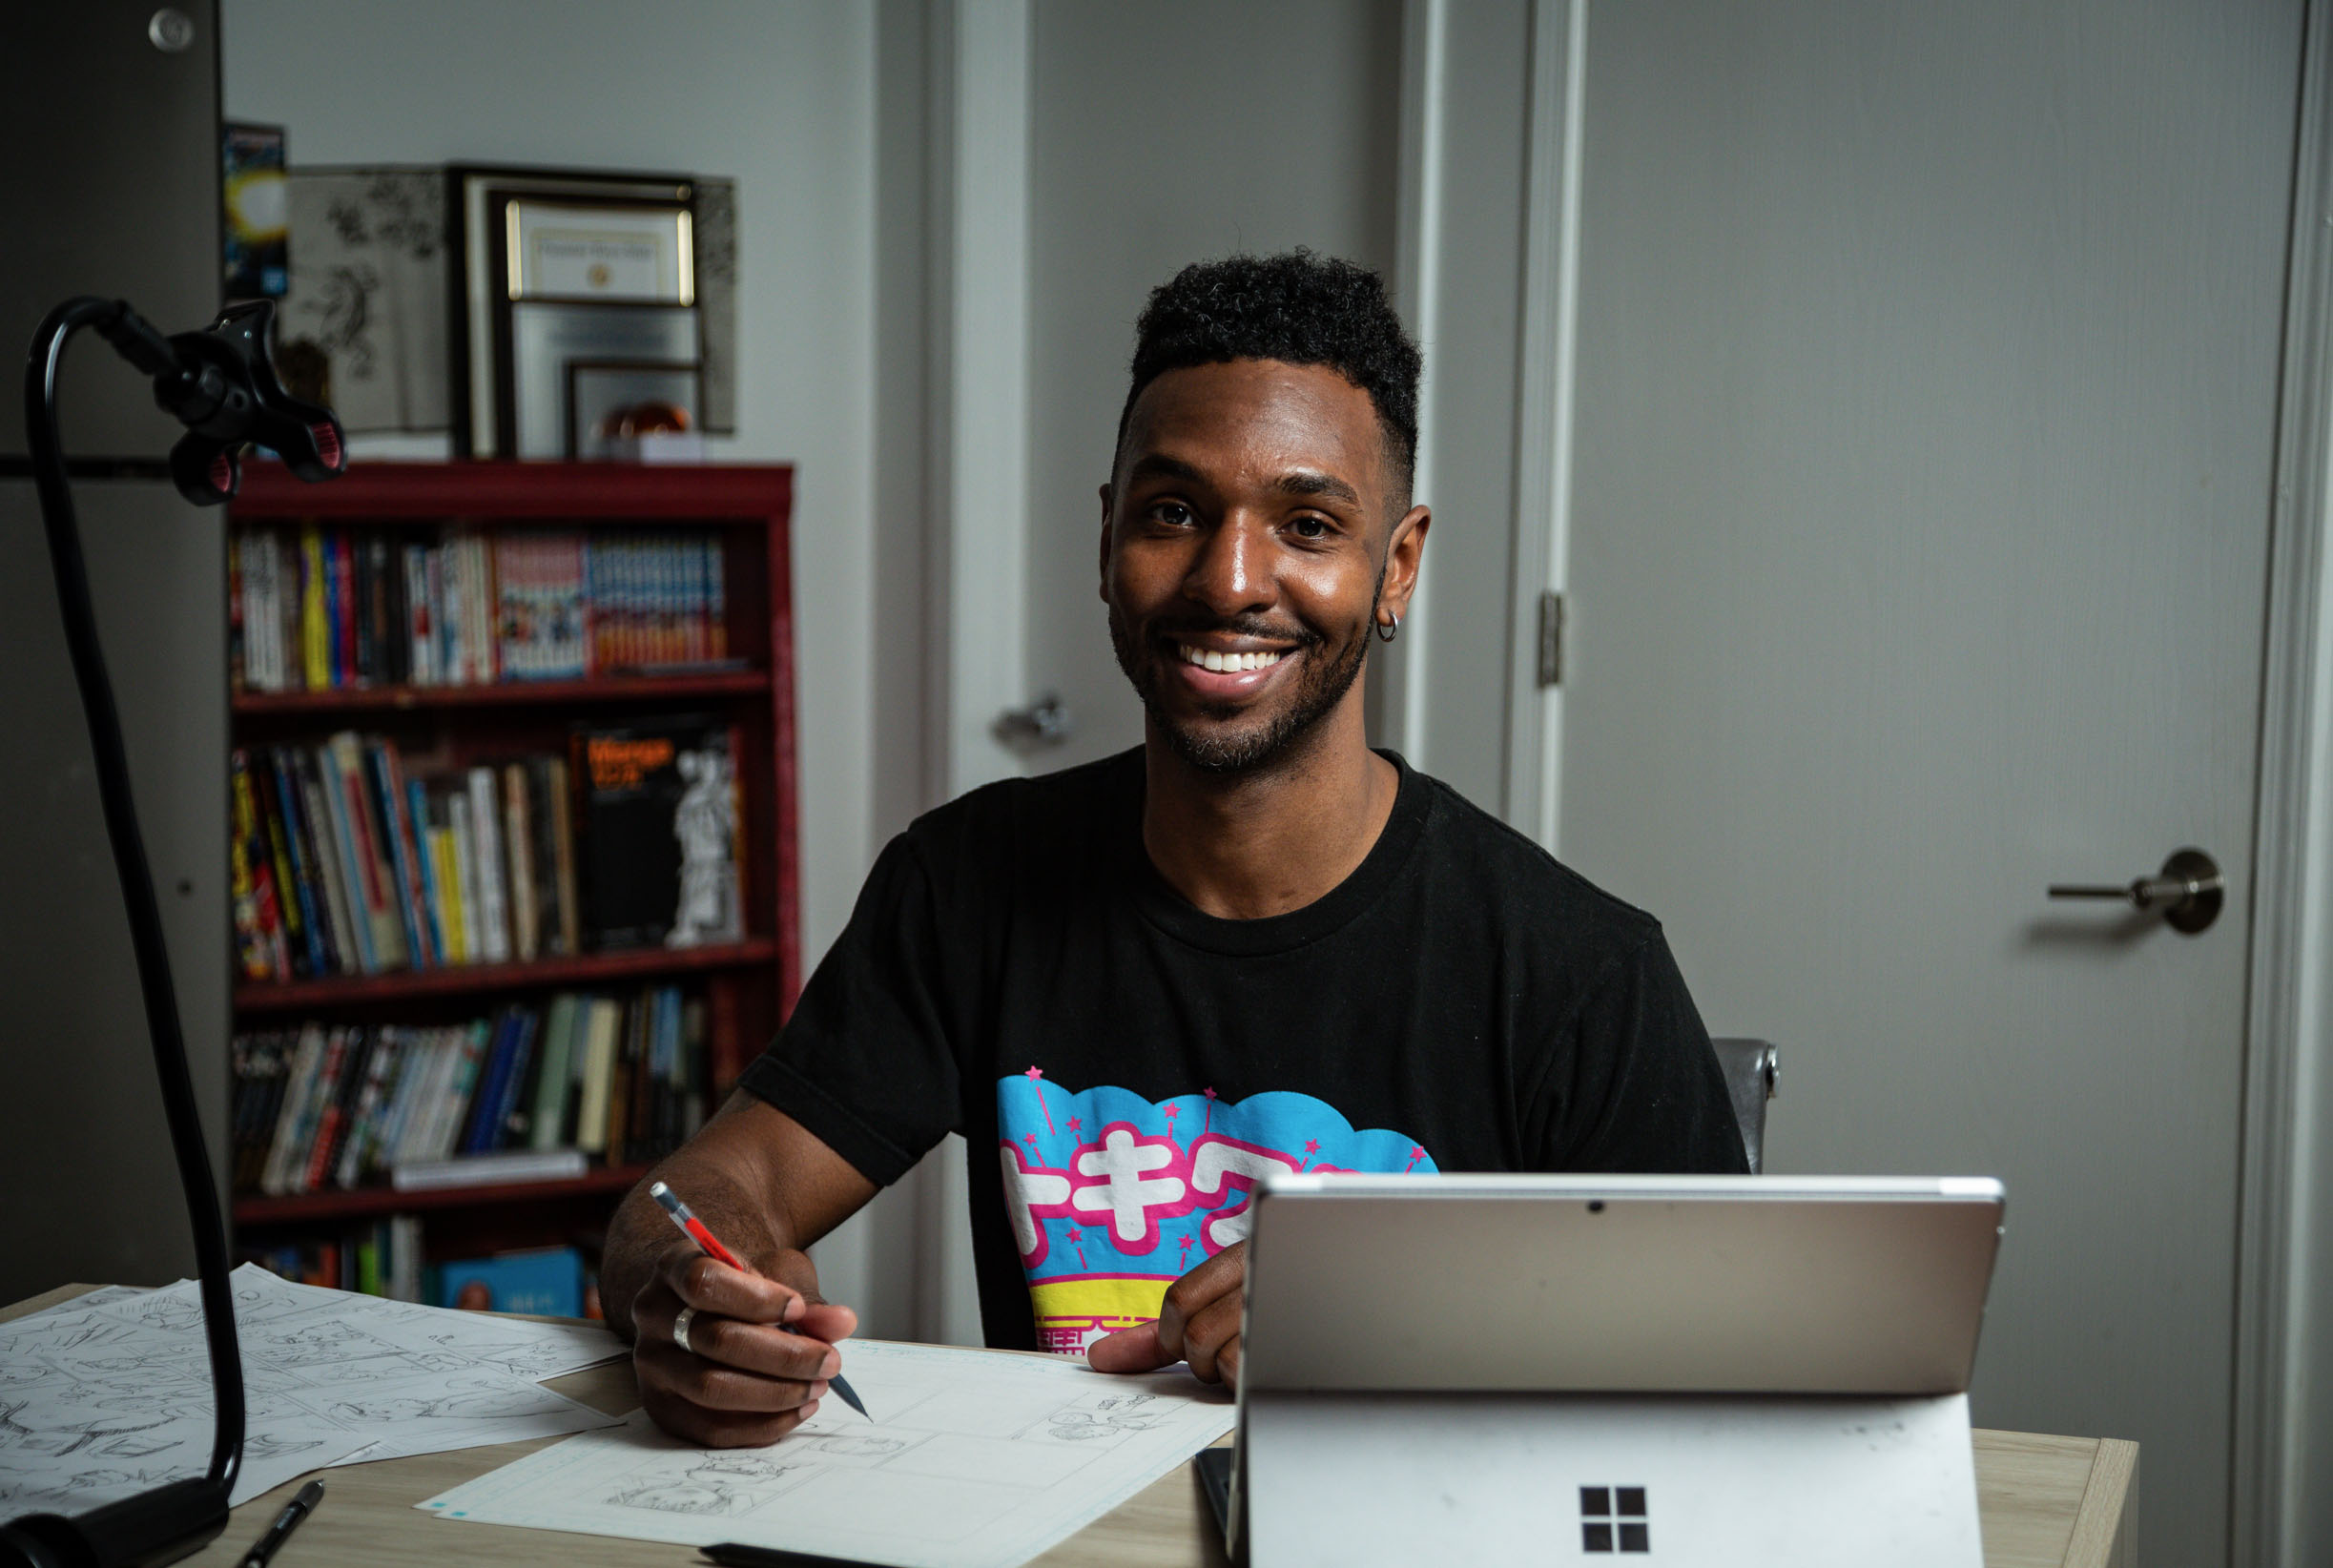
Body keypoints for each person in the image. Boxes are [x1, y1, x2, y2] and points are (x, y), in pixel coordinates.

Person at [602, 250, 1747, 1448]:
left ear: (1395, 566)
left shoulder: (1577, 968)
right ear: (1107, 540)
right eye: (1173, 512)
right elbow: (704, 1197)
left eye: (1306, 524)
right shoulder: (966, 884)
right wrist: (687, 1294)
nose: (1228, 579)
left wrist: (1408, 1317)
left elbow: (1742, 1364)